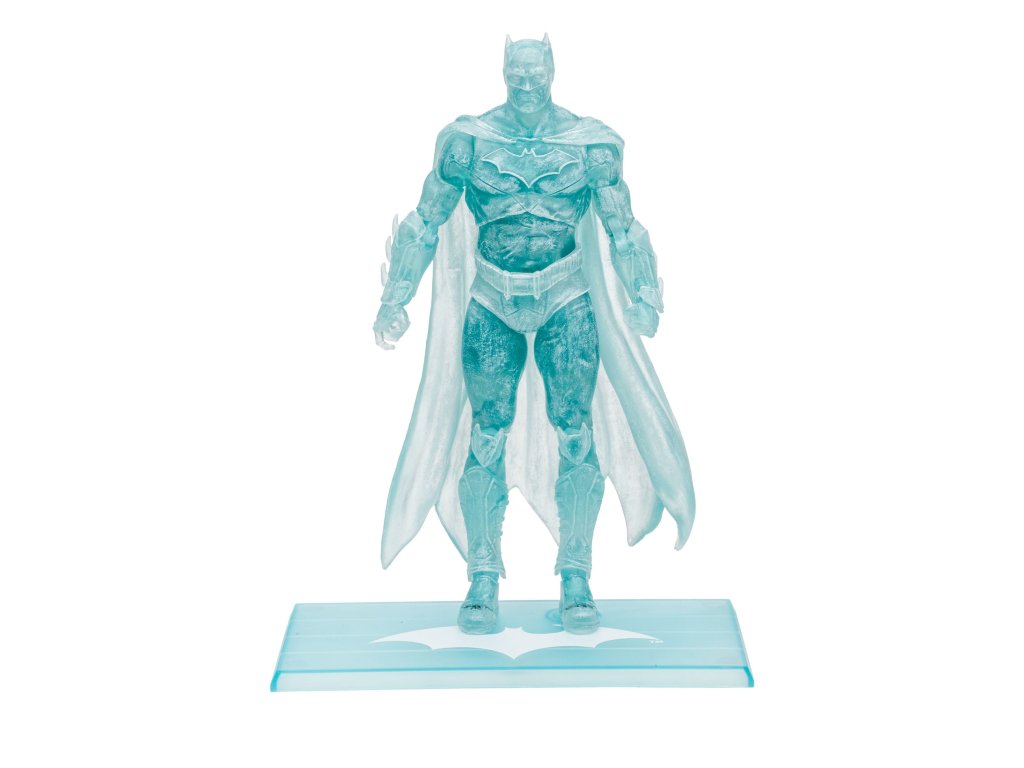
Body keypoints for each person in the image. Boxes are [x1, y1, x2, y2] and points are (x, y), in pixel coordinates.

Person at [375, 35, 694, 635]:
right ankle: (482, 576)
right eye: (517, 73)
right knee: (486, 433)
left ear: (552, 71)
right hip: (492, 294)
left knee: (575, 430)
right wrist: (395, 298)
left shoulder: (589, 146)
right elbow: (424, 223)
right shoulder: (469, 144)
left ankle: (576, 576)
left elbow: (623, 229)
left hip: (565, 293)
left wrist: (645, 295)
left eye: (535, 73)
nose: (526, 84)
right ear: (504, 72)